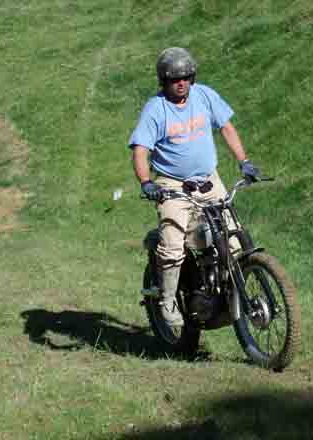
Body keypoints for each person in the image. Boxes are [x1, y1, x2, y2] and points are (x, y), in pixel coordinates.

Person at [128, 47, 261, 328]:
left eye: (186, 77)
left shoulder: (204, 95)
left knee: (232, 241)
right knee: (174, 245)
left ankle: (227, 295)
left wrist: (244, 162)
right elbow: (140, 150)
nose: (181, 83)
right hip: (171, 185)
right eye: (175, 78)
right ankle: (167, 300)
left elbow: (226, 127)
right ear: (163, 81)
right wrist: (147, 183)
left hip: (209, 180)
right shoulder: (156, 109)